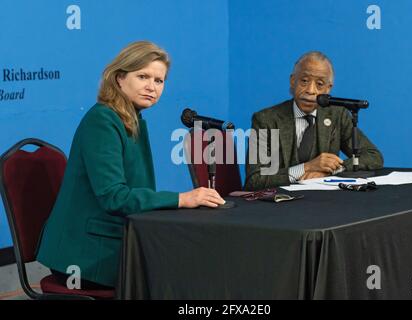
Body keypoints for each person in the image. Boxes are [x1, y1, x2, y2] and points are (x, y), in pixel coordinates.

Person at [37, 41, 225, 289]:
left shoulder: (132, 118)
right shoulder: (102, 120)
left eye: (159, 81)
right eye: (143, 76)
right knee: (183, 275)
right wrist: (182, 199)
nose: (152, 87)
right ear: (119, 79)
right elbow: (114, 197)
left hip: (113, 240)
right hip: (85, 255)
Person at [244, 51, 383, 191]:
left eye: (320, 84)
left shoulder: (337, 115)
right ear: (293, 81)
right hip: (280, 204)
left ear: (328, 89)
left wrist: (331, 169)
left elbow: (373, 156)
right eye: (304, 81)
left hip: (325, 203)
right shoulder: (266, 120)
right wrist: (306, 168)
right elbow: (255, 179)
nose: (311, 90)